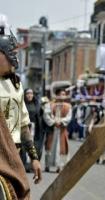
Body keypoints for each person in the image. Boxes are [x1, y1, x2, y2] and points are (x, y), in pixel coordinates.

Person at [0, 14, 42, 188]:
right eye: (11, 53)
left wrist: (34, 158)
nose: (14, 58)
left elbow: (23, 125)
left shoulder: (16, 85)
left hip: (14, 159)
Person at [44, 89, 72, 173]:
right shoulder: (50, 105)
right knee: (49, 147)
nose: (63, 96)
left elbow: (69, 117)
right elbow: (46, 115)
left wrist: (61, 121)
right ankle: (47, 165)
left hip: (62, 129)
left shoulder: (68, 106)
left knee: (62, 148)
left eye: (64, 94)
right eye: (61, 94)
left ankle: (60, 166)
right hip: (53, 129)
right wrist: (53, 122)